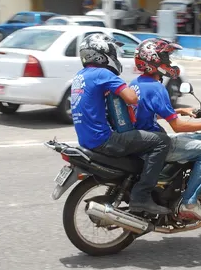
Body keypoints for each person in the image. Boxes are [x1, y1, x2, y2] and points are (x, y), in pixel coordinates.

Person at [71, 33, 172, 215]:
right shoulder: (103, 74)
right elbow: (132, 98)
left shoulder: (80, 76)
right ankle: (141, 197)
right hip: (105, 140)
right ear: (103, 54)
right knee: (162, 141)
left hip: (86, 140)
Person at [129, 38, 201, 221]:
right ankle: (189, 202)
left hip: (140, 141)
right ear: (154, 60)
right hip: (154, 144)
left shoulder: (136, 83)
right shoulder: (156, 88)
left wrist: (180, 110)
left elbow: (145, 112)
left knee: (197, 138)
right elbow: (177, 126)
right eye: (165, 56)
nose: (169, 62)